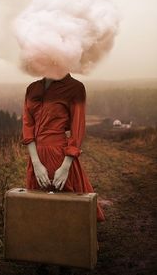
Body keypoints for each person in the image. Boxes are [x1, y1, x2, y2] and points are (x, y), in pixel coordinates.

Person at [21, 72, 105, 222]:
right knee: (38, 208)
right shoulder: (32, 88)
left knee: (67, 209)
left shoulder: (75, 88)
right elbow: (28, 127)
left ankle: (73, 242)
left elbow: (77, 129)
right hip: (36, 157)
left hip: (59, 156)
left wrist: (66, 166)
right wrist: (36, 163)